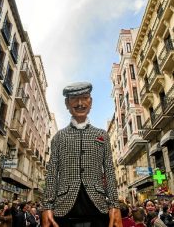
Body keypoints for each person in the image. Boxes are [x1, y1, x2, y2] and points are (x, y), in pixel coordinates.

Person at [42, 82, 122, 227]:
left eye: (84, 97)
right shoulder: (59, 137)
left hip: (98, 207)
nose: (80, 103)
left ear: (90, 102)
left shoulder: (102, 135)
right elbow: (52, 173)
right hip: (63, 209)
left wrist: (114, 204)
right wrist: (47, 206)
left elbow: (109, 170)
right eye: (74, 99)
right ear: (67, 103)